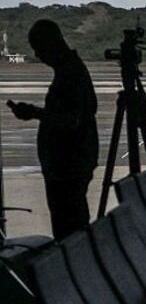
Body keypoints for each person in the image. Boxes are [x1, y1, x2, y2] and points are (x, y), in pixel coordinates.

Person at [7, 20, 98, 240]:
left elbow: (70, 120)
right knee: (73, 224)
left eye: (39, 49)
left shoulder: (70, 75)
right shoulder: (72, 70)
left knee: (69, 229)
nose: (38, 55)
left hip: (67, 167)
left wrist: (34, 113)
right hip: (71, 164)